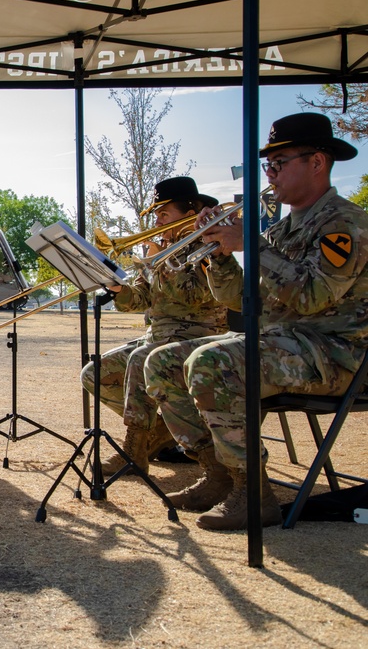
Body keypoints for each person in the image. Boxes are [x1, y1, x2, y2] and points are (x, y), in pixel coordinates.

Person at [144, 112, 367, 530]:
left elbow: (312, 295)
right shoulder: (282, 231)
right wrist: (221, 256)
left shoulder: (346, 223)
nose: (271, 174)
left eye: (279, 164)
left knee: (212, 362)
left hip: (337, 355)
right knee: (161, 361)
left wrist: (252, 244)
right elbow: (239, 300)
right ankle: (220, 474)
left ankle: (253, 494)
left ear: (317, 162)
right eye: (268, 166)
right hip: (286, 344)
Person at [80, 177, 229, 475]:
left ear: (188, 215)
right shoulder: (160, 251)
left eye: (163, 214)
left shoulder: (209, 246)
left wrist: (159, 262)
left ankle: (134, 451)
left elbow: (198, 295)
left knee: (140, 358)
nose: (156, 221)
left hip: (199, 335)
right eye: (156, 214)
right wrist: (118, 287)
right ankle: (159, 429)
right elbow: (139, 301)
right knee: (94, 373)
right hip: (157, 336)